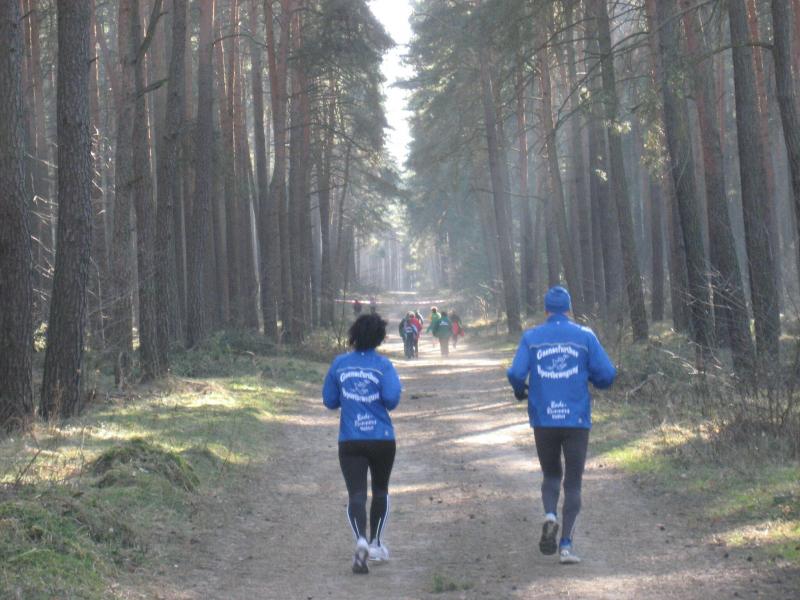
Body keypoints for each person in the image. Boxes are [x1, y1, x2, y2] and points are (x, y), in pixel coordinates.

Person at [506, 286, 616, 565]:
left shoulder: (531, 337)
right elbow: (607, 374)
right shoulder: (585, 336)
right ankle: (566, 546)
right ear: (569, 309)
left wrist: (520, 390)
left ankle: (549, 515)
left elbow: (516, 372)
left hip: (544, 418)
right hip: (576, 419)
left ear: (545, 310)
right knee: (574, 482)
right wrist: (594, 379)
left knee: (551, 474)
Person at [323, 313, 402, 574]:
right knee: (380, 490)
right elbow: (392, 399)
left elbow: (329, 401)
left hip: (350, 440)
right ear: (380, 338)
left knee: (356, 494)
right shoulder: (383, 365)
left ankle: (360, 540)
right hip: (382, 439)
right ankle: (376, 543)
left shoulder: (339, 364)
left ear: (353, 335)